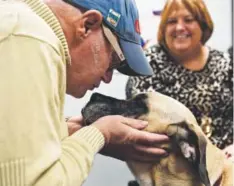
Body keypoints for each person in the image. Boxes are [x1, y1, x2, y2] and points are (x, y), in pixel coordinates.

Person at [0, 0, 170, 185]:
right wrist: (100, 134)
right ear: (88, 25)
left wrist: (66, 131)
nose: (107, 78)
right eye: (113, 61)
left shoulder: (18, 26)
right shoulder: (29, 40)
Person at [126, 0, 233, 152]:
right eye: (171, 21)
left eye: (188, 20)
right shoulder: (147, 64)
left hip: (227, 164)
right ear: (163, 28)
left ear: (203, 25)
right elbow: (143, 121)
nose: (180, 27)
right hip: (170, 166)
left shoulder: (226, 63)